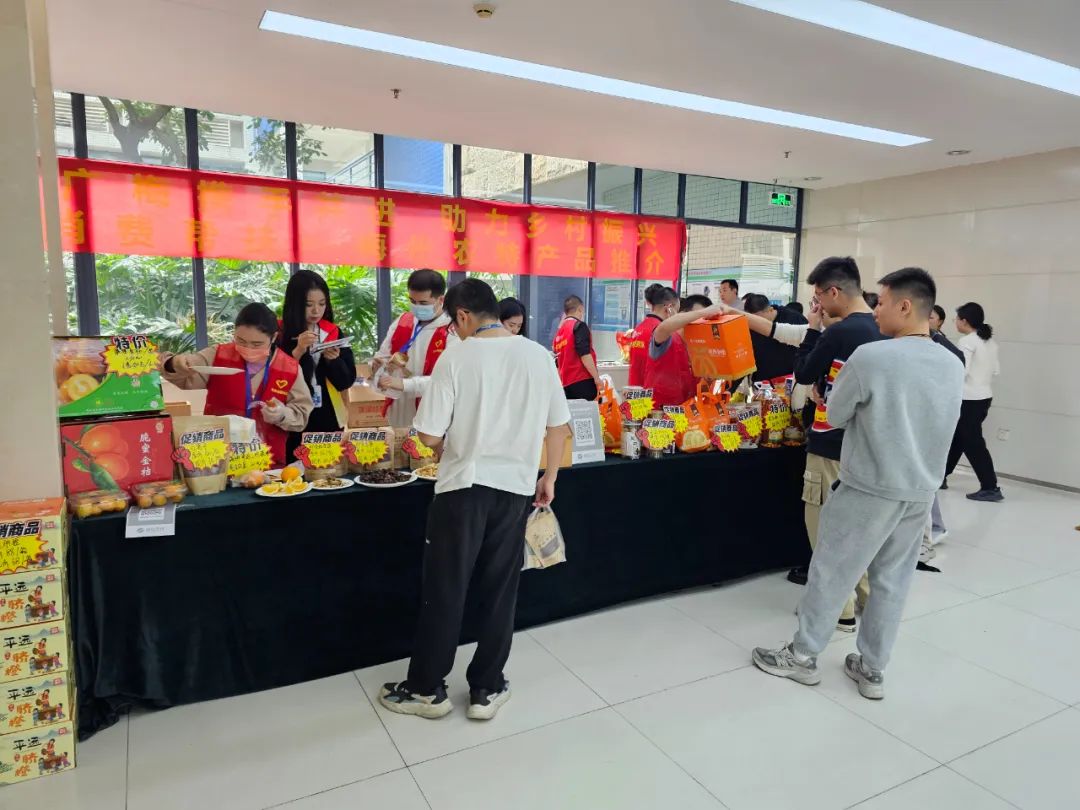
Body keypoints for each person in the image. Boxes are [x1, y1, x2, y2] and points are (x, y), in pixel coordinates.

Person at [753, 268, 963, 700]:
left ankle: (803, 655)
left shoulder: (872, 357)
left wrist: (825, 397)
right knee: (891, 582)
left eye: (881, 302)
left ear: (905, 305)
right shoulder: (951, 362)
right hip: (918, 492)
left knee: (832, 571)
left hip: (869, 484)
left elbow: (836, 414)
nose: (875, 310)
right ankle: (872, 668)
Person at [379, 280, 571, 721]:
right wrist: (550, 477)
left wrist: (444, 441)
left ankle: (427, 689)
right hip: (516, 489)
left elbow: (429, 435)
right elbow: (557, 426)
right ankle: (487, 687)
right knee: (501, 590)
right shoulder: (538, 356)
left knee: (446, 589)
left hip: (462, 490)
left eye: (453, 322)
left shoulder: (457, 357)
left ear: (463, 315)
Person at [791, 257, 885, 631]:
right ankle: (865, 598)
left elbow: (803, 372)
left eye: (819, 297)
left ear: (834, 291)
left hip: (829, 443)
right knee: (857, 531)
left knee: (824, 527)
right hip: (866, 445)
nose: (818, 305)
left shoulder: (840, 331)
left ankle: (838, 609)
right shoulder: (883, 329)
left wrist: (812, 329)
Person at [162, 303, 313, 467]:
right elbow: (186, 372)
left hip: (268, 464)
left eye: (257, 344)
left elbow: (301, 415)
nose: (248, 348)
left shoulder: (289, 368)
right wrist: (172, 363)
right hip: (219, 460)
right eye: (241, 341)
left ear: (274, 337)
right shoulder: (218, 355)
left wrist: (282, 414)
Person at [278, 270, 356, 462]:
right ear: (295, 304)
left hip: (327, 412)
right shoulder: (280, 333)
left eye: (322, 304)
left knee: (328, 465)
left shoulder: (333, 332)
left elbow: (346, 381)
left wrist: (333, 361)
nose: (316, 311)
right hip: (293, 411)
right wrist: (297, 351)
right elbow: (274, 377)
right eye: (308, 305)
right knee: (295, 465)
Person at [374, 269, 459, 428]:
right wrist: (378, 366)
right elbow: (383, 355)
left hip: (431, 414)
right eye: (412, 301)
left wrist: (403, 384)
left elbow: (447, 381)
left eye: (423, 303)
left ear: (440, 299)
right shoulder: (403, 321)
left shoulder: (452, 332)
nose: (416, 307)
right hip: (398, 409)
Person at [945, 302, 1003, 502]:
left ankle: (990, 487)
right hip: (984, 397)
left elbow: (961, 371)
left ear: (964, 321)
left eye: (956, 319)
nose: (955, 322)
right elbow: (996, 370)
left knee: (973, 443)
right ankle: (940, 476)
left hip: (968, 399)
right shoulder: (990, 342)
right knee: (959, 438)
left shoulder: (967, 341)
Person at [646, 298, 724, 407]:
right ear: (683, 315)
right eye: (697, 316)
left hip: (687, 413)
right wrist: (704, 312)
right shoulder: (666, 339)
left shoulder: (701, 349)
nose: (702, 323)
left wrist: (709, 382)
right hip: (658, 413)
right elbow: (663, 328)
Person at [743, 293, 808, 381]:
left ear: (770, 309)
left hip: (789, 379)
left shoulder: (794, 318)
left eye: (759, 319)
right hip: (761, 381)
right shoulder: (750, 324)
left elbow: (807, 347)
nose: (757, 324)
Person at [628, 284, 679, 386]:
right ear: (669, 308)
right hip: (651, 390)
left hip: (634, 388)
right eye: (676, 310)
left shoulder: (639, 328)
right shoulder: (661, 331)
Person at [553, 295, 600, 401]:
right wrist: (597, 378)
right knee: (590, 411)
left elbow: (557, 362)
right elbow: (585, 355)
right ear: (580, 309)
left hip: (566, 385)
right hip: (583, 381)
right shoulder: (579, 326)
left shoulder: (559, 334)